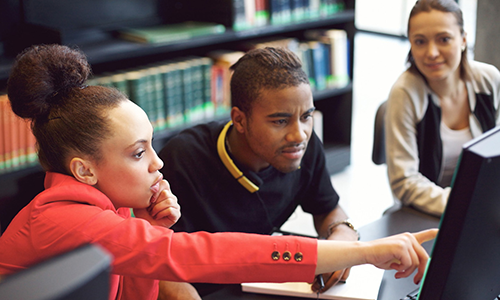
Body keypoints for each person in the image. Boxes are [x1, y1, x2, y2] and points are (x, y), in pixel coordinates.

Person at [0, 44, 437, 300]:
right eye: (138, 154)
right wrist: (364, 252)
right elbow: (205, 254)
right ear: (84, 170)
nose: (159, 162)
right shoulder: (68, 220)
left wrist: (151, 227)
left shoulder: (102, 210)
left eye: (151, 145)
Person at [158, 46, 360, 298]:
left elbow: (327, 207)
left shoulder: (303, 147)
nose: (299, 135)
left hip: (259, 283)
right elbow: (157, 263)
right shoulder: (183, 159)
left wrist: (343, 234)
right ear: (240, 120)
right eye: (280, 121)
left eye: (306, 117)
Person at [385, 0, 500, 216]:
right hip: (426, 214)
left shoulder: (489, 80)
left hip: (484, 206)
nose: (432, 52)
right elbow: (404, 182)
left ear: (464, 39)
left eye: (444, 39)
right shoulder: (405, 93)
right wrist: (462, 203)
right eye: (420, 41)